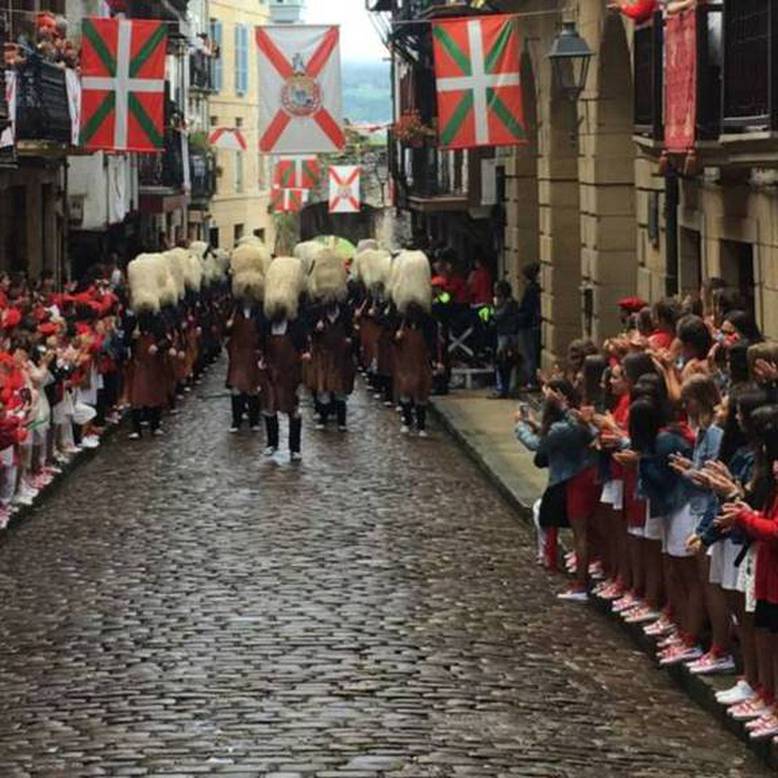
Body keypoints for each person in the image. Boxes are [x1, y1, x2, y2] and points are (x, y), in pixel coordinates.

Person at [260, 256, 310, 461]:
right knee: (270, 407)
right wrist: (260, 357)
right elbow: (260, 340)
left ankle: (294, 448)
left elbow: (303, 343)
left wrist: (305, 353)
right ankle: (272, 444)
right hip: (271, 368)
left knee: (292, 408)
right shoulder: (266, 321)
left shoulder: (296, 323)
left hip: (290, 370)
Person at [491, 280, 520, 399]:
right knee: (508, 362)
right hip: (508, 333)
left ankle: (503, 388)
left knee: (503, 361)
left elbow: (498, 316)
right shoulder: (511, 303)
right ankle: (507, 387)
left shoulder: (508, 303)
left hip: (506, 334)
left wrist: (495, 307)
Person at [516, 263, 541, 390]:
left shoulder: (530, 290)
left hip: (528, 326)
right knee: (531, 354)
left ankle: (531, 381)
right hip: (531, 325)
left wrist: (519, 318)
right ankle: (532, 380)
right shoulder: (536, 289)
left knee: (529, 354)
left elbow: (527, 309)